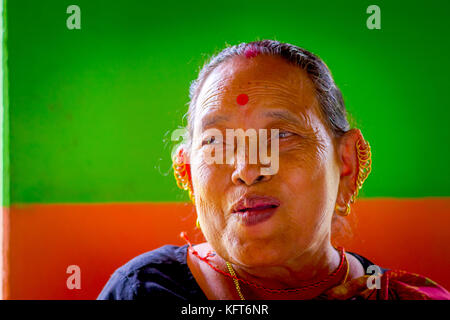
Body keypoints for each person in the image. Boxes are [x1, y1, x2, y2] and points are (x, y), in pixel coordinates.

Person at [97, 40, 450, 300]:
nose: (248, 170)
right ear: (188, 171)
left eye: (281, 136)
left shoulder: (404, 296)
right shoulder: (143, 291)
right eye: (216, 142)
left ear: (345, 163)